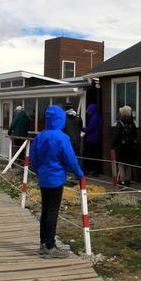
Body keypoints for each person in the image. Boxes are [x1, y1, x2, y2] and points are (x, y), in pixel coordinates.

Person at [30, 105, 85, 259]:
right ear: (60, 120)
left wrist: (39, 170)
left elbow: (33, 158)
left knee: (45, 210)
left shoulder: (40, 136)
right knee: (53, 211)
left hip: (43, 178)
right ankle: (49, 246)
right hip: (56, 178)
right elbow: (71, 160)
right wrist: (79, 174)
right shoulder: (62, 138)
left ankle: (43, 243)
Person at [112, 105, 137, 188]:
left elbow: (115, 136)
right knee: (129, 164)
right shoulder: (132, 123)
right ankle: (128, 180)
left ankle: (122, 181)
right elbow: (135, 135)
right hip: (130, 147)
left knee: (121, 164)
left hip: (121, 147)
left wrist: (113, 146)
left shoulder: (120, 123)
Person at [82, 104, 103, 176]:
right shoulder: (98, 117)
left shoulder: (93, 118)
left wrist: (82, 129)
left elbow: (90, 128)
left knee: (90, 156)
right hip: (97, 139)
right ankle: (95, 171)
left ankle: (91, 171)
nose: (88, 112)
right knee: (96, 156)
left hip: (91, 140)